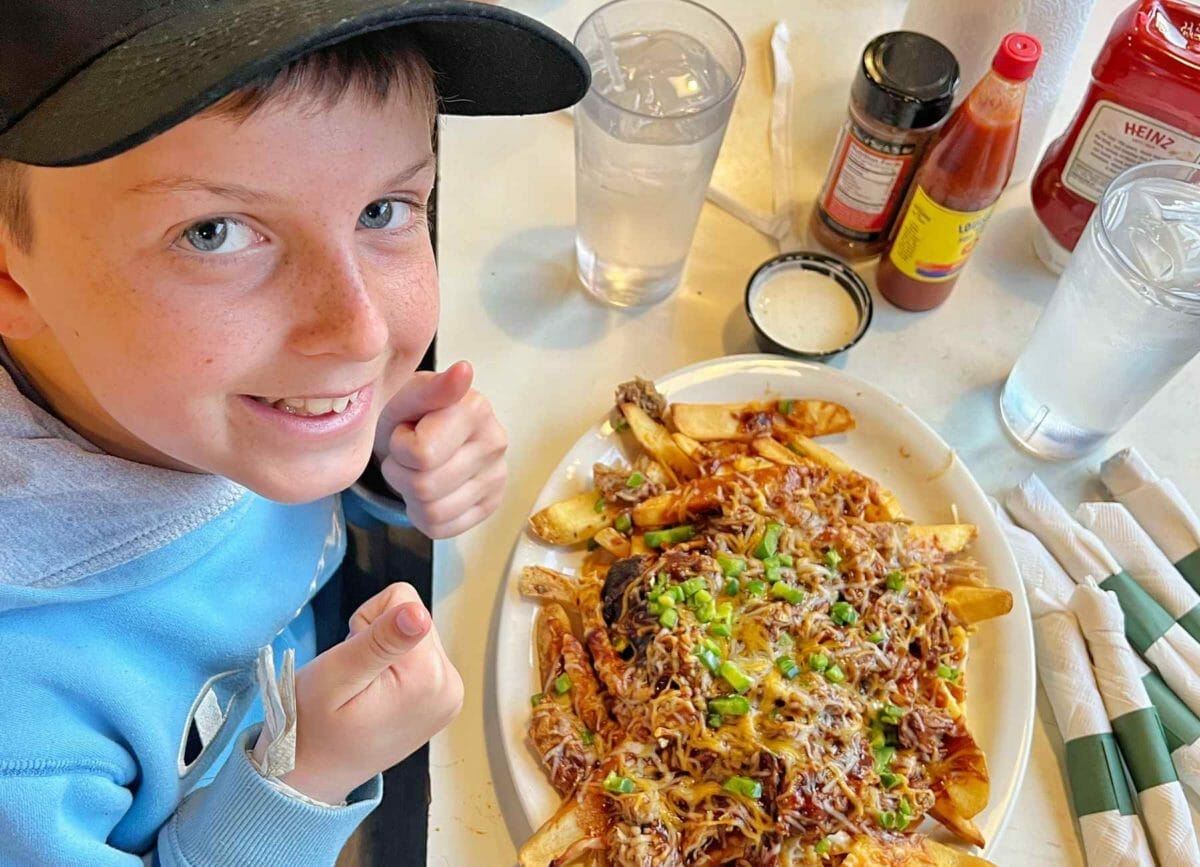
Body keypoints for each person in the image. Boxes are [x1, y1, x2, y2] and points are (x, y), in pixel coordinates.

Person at [0, 1, 588, 863]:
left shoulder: (169, 396)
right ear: (13, 279)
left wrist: (381, 450)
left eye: (385, 210)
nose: (357, 333)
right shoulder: (27, 729)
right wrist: (302, 774)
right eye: (214, 233)